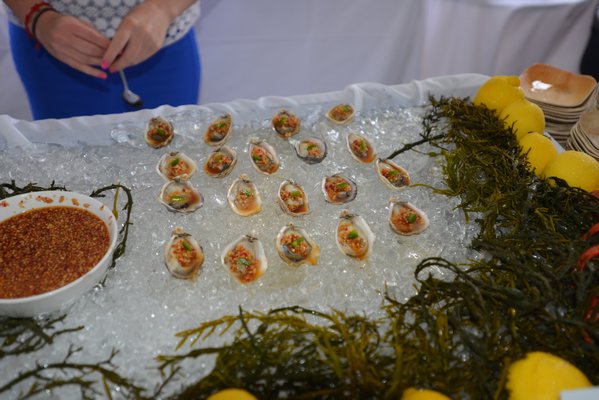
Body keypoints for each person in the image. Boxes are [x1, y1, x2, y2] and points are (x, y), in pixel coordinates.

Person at [2, 0, 201, 120]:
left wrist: (163, 8)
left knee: (171, 166)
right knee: (66, 173)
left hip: (162, 45)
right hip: (53, 45)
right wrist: (38, 16)